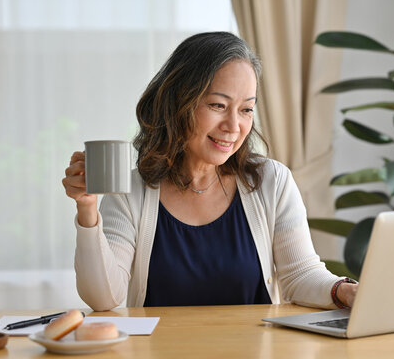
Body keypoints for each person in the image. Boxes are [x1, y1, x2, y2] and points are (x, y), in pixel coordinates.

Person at [62, 31, 358, 311]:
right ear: (179, 104)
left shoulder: (273, 181)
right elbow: (104, 298)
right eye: (218, 105)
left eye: (246, 109)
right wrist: (87, 209)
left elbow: (301, 275)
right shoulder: (132, 191)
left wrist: (343, 291)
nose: (234, 126)